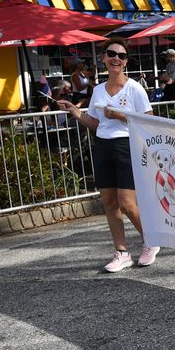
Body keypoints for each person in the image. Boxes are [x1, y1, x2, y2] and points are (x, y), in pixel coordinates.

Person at [57, 39, 160, 272]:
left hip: (126, 146)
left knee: (127, 203)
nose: (116, 59)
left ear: (125, 62)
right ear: (103, 58)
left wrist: (120, 116)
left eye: (122, 56)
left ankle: (151, 240)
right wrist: (74, 111)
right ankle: (121, 252)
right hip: (103, 145)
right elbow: (94, 123)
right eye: (112, 54)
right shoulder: (97, 90)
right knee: (110, 202)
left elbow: (149, 121)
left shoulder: (134, 88)